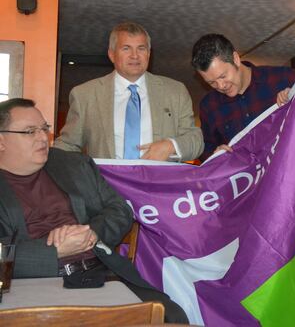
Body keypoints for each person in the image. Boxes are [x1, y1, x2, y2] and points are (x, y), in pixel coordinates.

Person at [0, 98, 188, 323]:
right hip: (30, 283)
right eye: (30, 131)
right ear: (1, 140)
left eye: (44, 128)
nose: (43, 138)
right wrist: (56, 251)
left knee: (172, 316)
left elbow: (120, 210)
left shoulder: (72, 164)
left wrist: (91, 232)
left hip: (100, 274)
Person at [54, 22, 203, 162]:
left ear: (149, 54)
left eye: (141, 48)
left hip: (160, 186)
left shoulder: (175, 92)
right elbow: (67, 145)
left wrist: (171, 146)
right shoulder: (85, 95)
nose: (134, 55)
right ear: (112, 54)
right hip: (105, 186)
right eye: (126, 48)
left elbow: (195, 140)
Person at [191, 33, 295, 161]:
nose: (221, 86)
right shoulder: (209, 106)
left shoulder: (283, 78)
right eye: (211, 82)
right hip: (249, 180)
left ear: (235, 59)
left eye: (222, 76)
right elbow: (205, 149)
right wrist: (215, 155)